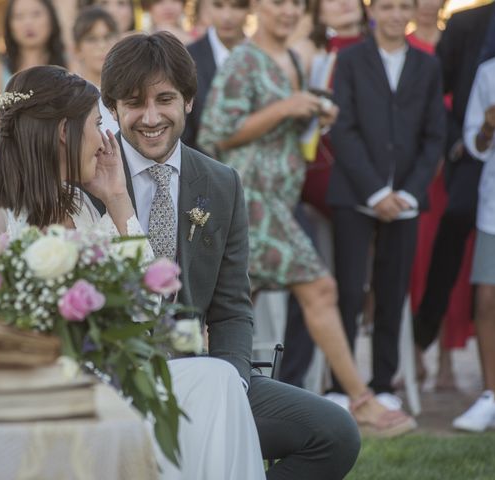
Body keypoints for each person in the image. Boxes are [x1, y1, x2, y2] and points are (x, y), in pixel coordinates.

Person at [0, 64, 266, 480]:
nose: (105, 141)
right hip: (37, 396)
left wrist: (117, 199)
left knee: (218, 379)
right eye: (98, 124)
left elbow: (149, 306)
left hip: (111, 381)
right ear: (65, 132)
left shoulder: (80, 207)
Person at [101, 30, 361, 479]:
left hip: (207, 377)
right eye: (133, 103)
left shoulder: (221, 183)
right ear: (113, 109)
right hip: (115, 380)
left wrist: (232, 386)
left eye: (164, 99)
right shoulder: (91, 179)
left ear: (188, 101)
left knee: (334, 433)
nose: (150, 117)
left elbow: (232, 310)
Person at [198, 0, 414, 438]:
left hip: (280, 199)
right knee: (320, 287)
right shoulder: (244, 60)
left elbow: (291, 135)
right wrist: (286, 107)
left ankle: (204, 398)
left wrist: (315, 113)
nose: (289, 11)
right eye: (278, 2)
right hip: (250, 203)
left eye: (297, 3)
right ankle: (362, 401)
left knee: (227, 311)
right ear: (258, 6)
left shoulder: (294, 58)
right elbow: (213, 134)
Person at [327, 0, 445, 402]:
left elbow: (434, 137)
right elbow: (342, 128)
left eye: (404, 6)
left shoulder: (428, 65)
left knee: (392, 291)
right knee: (348, 290)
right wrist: (376, 191)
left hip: (407, 198)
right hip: (356, 194)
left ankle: (383, 384)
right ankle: (340, 384)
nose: (396, 14)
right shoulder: (351, 59)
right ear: (373, 9)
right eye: (387, 5)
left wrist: (408, 192)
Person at [281, 0, 368, 388]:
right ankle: (342, 385)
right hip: (324, 175)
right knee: (332, 276)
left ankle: (359, 376)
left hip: (370, 176)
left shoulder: (380, 45)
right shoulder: (308, 51)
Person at [412, 0, 495, 371]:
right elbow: (435, 96)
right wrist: (454, 142)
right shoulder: (467, 24)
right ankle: (426, 330)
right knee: (455, 220)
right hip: (469, 150)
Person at [452, 55, 495, 432]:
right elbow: (476, 144)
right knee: (488, 298)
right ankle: (492, 397)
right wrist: (488, 126)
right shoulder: (489, 72)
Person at [0, 0, 67, 143]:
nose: (28, 23)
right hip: (11, 157)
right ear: (9, 24)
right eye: (19, 16)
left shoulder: (70, 63)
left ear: (51, 17)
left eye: (36, 14)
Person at [181, 0, 249, 152]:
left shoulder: (264, 58)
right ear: (206, 6)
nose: (227, 16)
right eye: (218, 5)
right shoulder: (187, 58)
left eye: (237, 6)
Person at [72, 7, 120, 133]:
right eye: (91, 39)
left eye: (108, 37)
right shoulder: (69, 95)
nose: (102, 45)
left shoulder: (127, 91)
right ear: (77, 49)